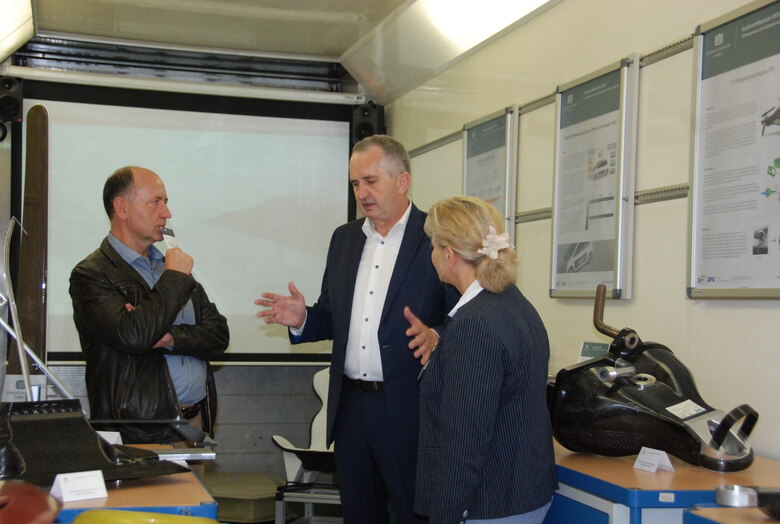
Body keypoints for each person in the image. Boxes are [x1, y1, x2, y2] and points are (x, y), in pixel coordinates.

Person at [256, 135, 453, 524]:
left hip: (410, 407)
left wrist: (438, 336)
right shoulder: (344, 239)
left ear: (402, 181)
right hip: (351, 409)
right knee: (360, 516)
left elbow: (464, 313)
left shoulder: (436, 235)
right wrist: (303, 319)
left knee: (417, 514)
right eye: (354, 184)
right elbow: (332, 316)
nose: (361, 193)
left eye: (371, 181)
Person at [416, 196, 557, 524]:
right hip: (523, 494)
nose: (432, 254)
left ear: (449, 255)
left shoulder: (473, 324)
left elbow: (464, 439)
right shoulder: (516, 305)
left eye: (434, 246)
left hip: (489, 505)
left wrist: (446, 516)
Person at [69, 166, 229, 445]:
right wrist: (174, 280)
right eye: (156, 202)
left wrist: (170, 338)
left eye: (166, 202)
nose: (167, 213)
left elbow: (218, 335)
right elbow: (134, 336)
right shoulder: (92, 274)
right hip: (138, 430)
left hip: (193, 424)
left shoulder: (169, 268)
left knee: (194, 491)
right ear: (122, 208)